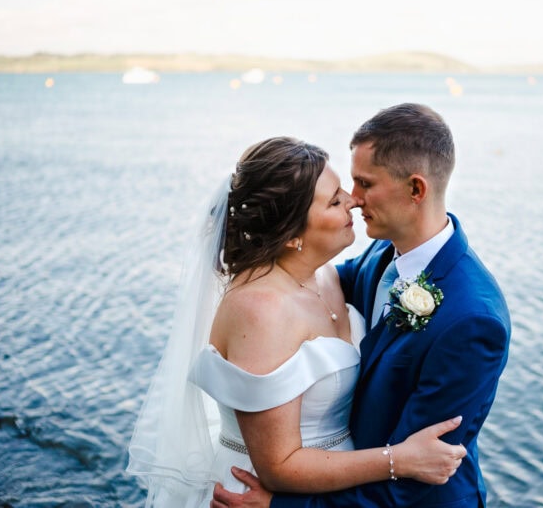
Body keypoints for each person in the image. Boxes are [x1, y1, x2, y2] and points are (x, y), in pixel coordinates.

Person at [127, 136, 467, 507]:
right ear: (291, 235)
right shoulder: (260, 310)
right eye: (335, 200)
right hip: (265, 492)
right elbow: (277, 465)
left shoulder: (327, 276)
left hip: (337, 487)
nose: (353, 200)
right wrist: (399, 460)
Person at [212, 104, 511, 507]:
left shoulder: (472, 321)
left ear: (416, 190)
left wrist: (281, 506)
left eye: (364, 183)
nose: (354, 199)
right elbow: (307, 279)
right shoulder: (382, 253)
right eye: (342, 193)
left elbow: (418, 477)